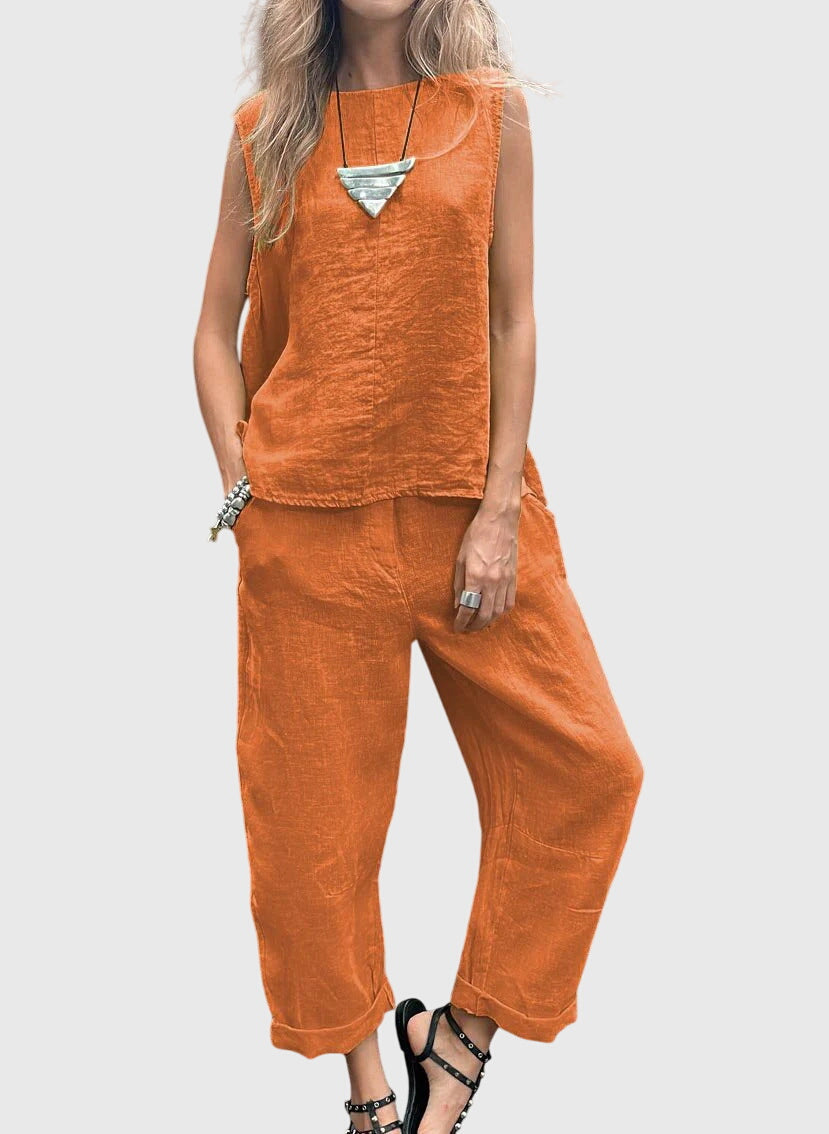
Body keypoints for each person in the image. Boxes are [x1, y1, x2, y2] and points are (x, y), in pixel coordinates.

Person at [194, 2, 643, 1131]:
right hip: (307, 527)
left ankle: (460, 1043)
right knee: (312, 833)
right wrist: (244, 492)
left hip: (465, 513)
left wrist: (499, 507)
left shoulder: (491, 114)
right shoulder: (266, 130)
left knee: (589, 769)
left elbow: (515, 318)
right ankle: (371, 1099)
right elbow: (212, 329)